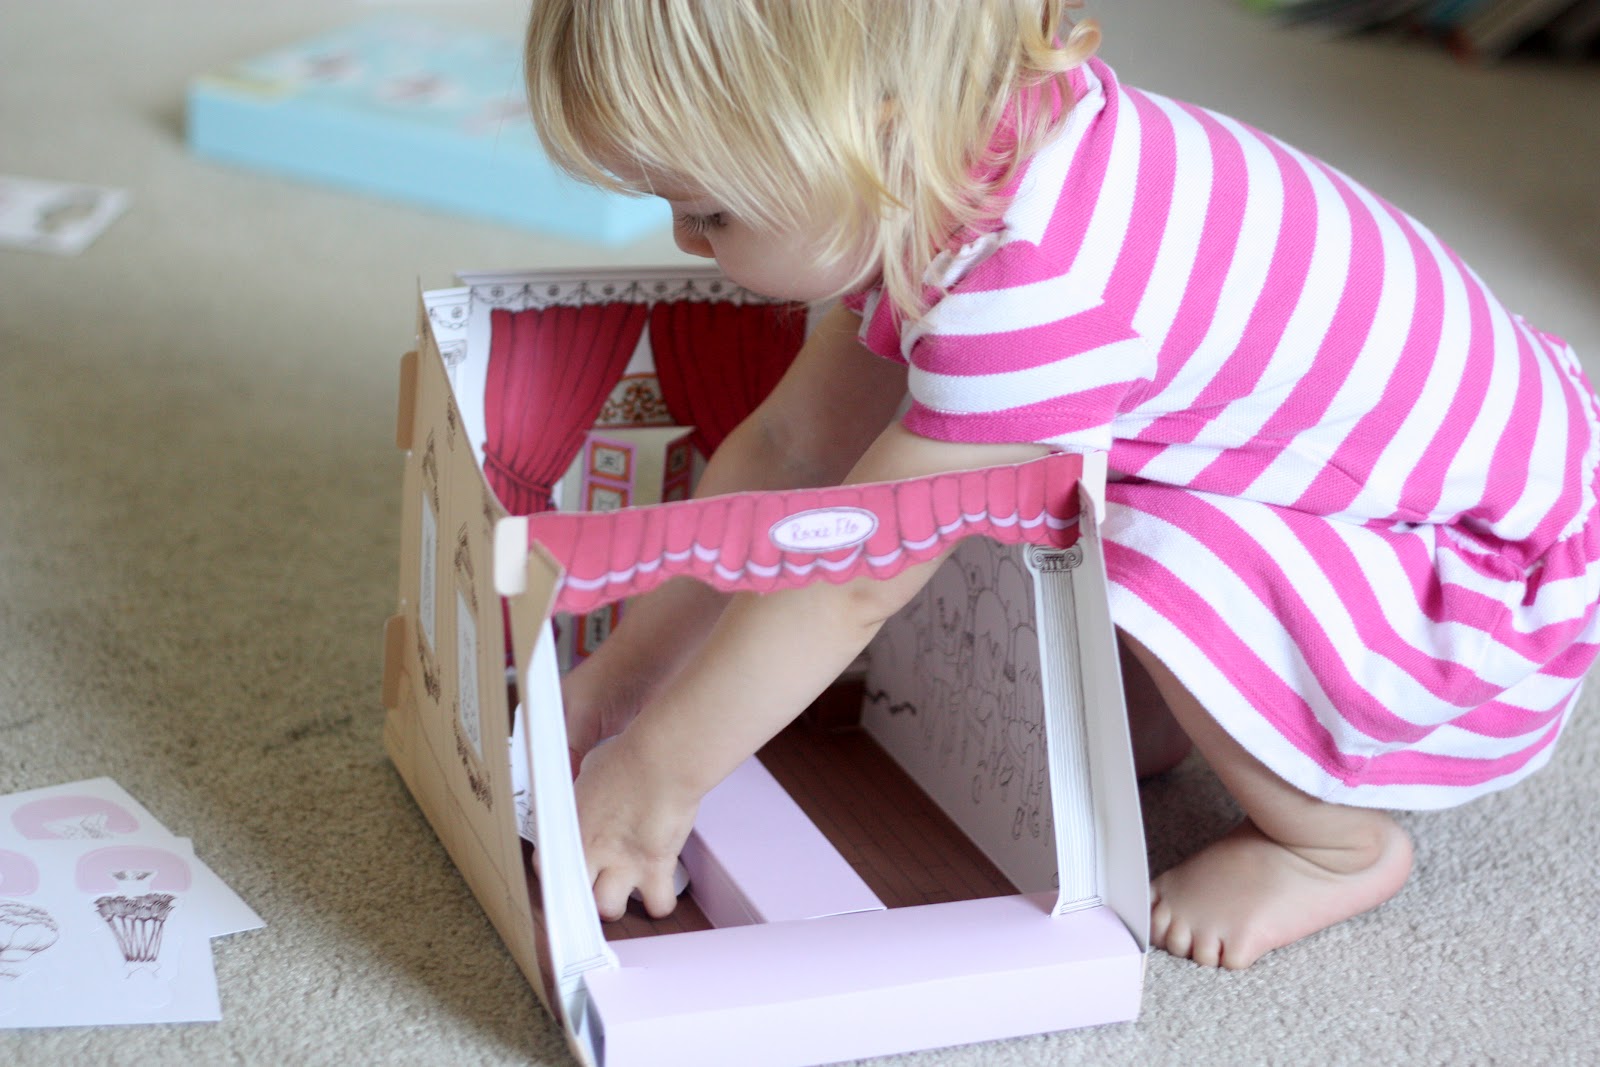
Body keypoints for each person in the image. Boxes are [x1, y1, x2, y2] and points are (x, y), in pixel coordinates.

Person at [522, 0, 1600, 969]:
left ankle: (1331, 844)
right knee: (1024, 486)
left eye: (709, 212)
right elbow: (794, 449)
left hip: (1480, 570)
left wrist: (657, 778)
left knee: (1132, 542)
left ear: (875, 133)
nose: (684, 240)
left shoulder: (1031, 283)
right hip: (1415, 481)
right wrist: (624, 681)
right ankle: (1186, 706)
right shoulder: (941, 165)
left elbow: (852, 572)